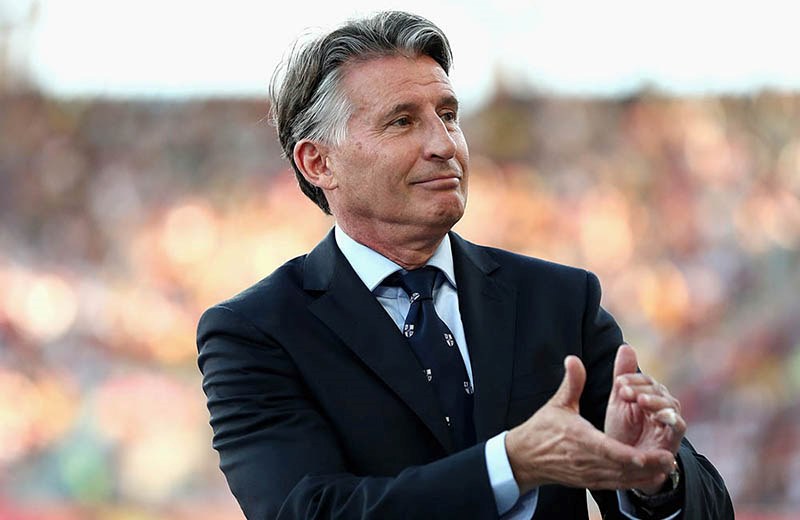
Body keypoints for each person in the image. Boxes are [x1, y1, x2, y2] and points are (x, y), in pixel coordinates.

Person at [197, 11, 733, 519]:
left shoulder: (559, 300)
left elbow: (699, 500)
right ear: (318, 162)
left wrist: (654, 479)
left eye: (449, 116)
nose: (444, 144)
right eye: (402, 121)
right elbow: (309, 511)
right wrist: (510, 465)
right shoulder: (255, 332)